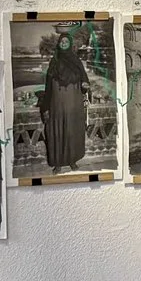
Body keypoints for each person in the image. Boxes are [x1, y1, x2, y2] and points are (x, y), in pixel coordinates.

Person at [39, 30, 91, 173]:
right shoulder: (54, 61)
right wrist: (46, 106)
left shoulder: (76, 60)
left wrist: (85, 85)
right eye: (62, 41)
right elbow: (48, 85)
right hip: (57, 103)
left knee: (72, 130)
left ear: (70, 44)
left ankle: (72, 160)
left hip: (73, 103)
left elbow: (84, 79)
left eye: (66, 42)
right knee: (57, 131)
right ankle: (58, 163)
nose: (63, 43)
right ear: (59, 44)